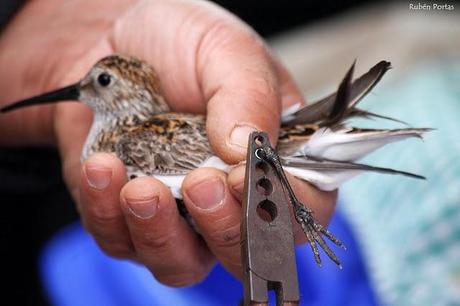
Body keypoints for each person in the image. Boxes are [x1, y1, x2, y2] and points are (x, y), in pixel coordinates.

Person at [0, 0, 336, 287]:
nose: (78, 89)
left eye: (101, 82)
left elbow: (237, 153)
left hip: (284, 146)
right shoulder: (119, 139)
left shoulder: (130, 143)